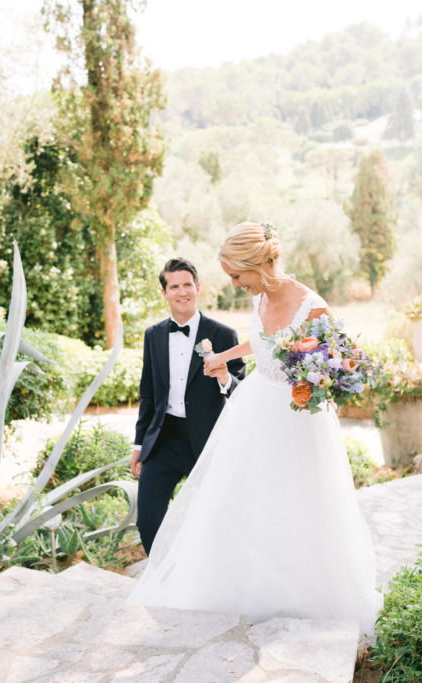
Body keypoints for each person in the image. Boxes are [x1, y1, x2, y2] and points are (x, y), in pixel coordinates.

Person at [128, 222, 381, 639]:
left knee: (296, 503)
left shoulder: (310, 305)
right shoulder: (260, 297)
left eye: (236, 275)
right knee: (242, 502)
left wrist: (315, 382)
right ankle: (247, 587)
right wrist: (223, 356)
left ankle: (294, 592)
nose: (234, 284)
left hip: (297, 419)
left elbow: (341, 360)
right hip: (252, 413)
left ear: (257, 266)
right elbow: (262, 340)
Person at [131, 257, 246, 556]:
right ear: (164, 292)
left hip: (208, 440)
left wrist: (223, 377)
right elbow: (148, 393)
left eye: (187, 285)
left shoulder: (223, 334)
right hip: (164, 438)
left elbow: (241, 389)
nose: (182, 292)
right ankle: (162, 579)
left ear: (198, 288)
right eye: (174, 286)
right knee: (149, 520)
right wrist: (139, 444)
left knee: (218, 519)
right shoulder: (153, 335)